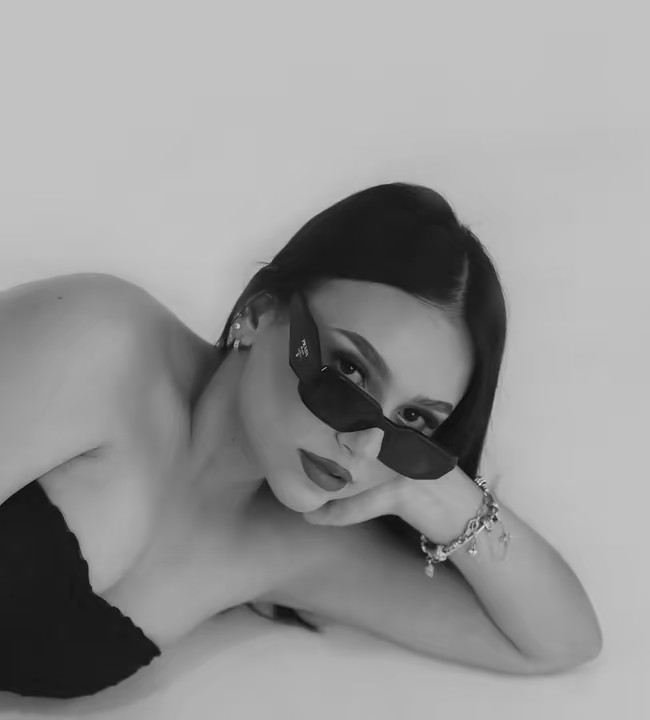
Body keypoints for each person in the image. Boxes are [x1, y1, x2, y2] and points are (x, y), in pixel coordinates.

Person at [0, 182, 602, 699]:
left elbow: (558, 642)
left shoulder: (299, 544)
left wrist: (440, 494)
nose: (365, 447)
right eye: (350, 374)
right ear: (260, 313)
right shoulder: (102, 345)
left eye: (413, 422)